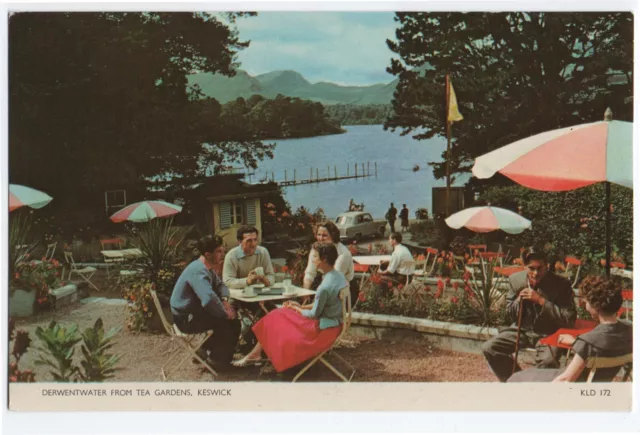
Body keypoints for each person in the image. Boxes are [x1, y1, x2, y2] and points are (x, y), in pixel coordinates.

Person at [231, 242, 347, 371]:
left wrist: (297, 309)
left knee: (276, 317)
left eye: (315, 257)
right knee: (277, 314)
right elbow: (322, 305)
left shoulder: (325, 286)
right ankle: (255, 354)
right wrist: (300, 307)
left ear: (324, 259)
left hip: (322, 332)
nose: (313, 260)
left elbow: (314, 314)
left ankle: (255, 354)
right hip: (332, 325)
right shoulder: (338, 276)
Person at [509, 276, 632, 382]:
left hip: (572, 385)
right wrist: (577, 342)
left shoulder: (588, 341)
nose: (584, 303)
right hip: (596, 385)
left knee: (516, 378)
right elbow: (603, 344)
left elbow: (565, 380)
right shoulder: (629, 331)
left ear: (596, 306)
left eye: (586, 300)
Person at [481, 252, 577, 382]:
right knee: (490, 348)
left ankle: (541, 393)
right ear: (525, 267)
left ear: (547, 266)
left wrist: (541, 301)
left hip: (548, 334)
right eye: (531, 268)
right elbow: (508, 314)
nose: (536, 273)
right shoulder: (516, 280)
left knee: (548, 361)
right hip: (522, 330)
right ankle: (516, 382)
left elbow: (569, 319)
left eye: (540, 268)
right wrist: (518, 301)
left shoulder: (561, 284)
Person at [169, 235, 240, 369]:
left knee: (233, 321)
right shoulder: (198, 271)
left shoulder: (206, 267)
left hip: (194, 313)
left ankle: (206, 352)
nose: (223, 254)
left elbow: (221, 286)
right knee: (227, 324)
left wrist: (224, 301)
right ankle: (216, 361)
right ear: (208, 254)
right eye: (219, 251)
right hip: (185, 319)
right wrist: (225, 314)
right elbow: (208, 300)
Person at [303, 221, 356, 303]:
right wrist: (305, 292)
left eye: (324, 235)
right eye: (319, 235)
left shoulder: (343, 253)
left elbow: (333, 279)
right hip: (324, 283)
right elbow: (310, 273)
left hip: (343, 288)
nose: (320, 238)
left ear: (333, 236)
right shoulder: (316, 249)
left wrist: (316, 303)